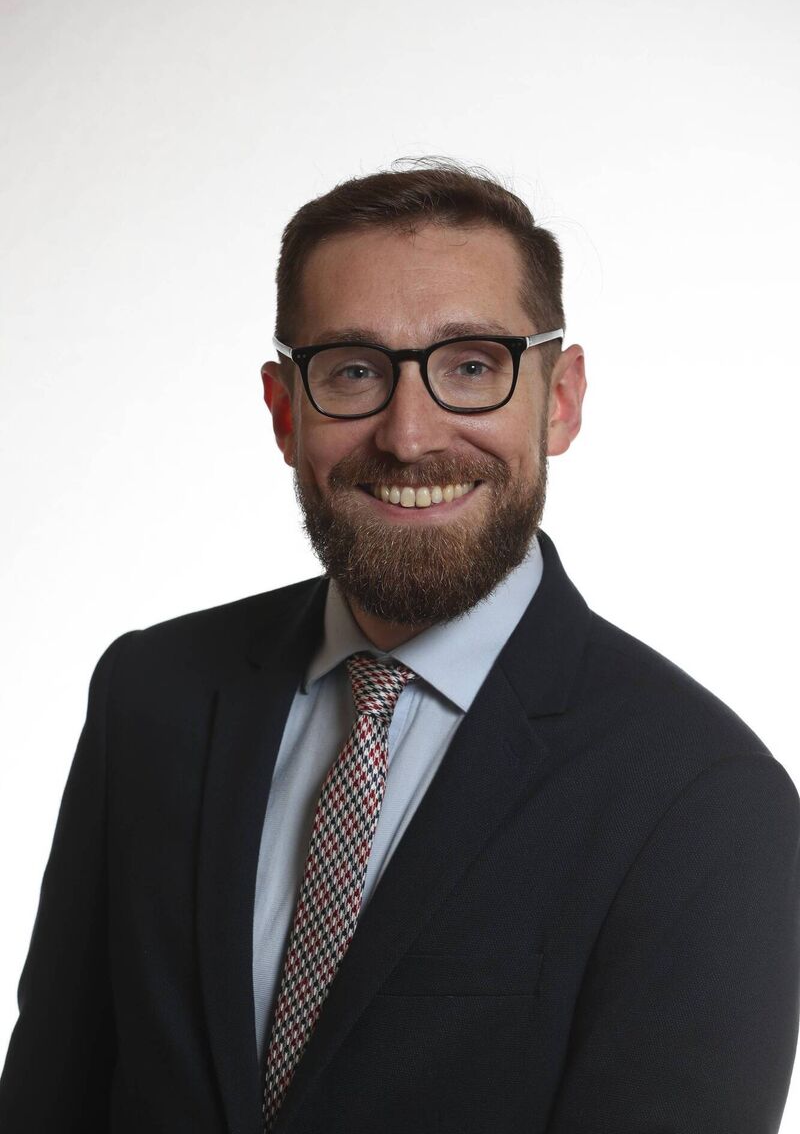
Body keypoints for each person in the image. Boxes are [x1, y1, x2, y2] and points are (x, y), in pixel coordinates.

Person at [1, 163, 798, 1134]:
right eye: (352, 370)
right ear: (284, 410)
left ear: (559, 400)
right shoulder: (151, 694)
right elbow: (47, 1098)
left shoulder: (704, 801)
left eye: (471, 366)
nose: (410, 436)